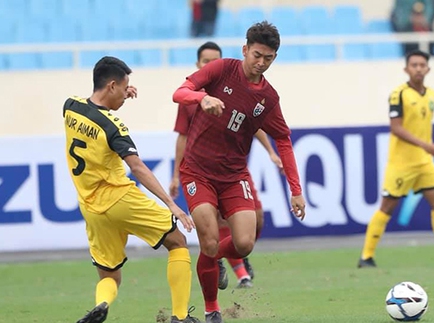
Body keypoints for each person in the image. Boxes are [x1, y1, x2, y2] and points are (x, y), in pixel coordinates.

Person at [172, 21, 306, 323]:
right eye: (257, 55)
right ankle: (212, 309)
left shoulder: (268, 98)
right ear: (245, 49)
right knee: (208, 241)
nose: (261, 63)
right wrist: (201, 98)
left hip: (234, 175)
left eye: (268, 58)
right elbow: (180, 92)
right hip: (198, 171)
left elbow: (283, 138)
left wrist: (295, 190)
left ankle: (213, 259)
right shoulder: (221, 69)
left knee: (244, 242)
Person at [64, 56, 200, 323]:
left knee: (110, 274)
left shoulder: (69, 107)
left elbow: (96, 112)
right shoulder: (115, 128)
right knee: (177, 242)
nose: (126, 95)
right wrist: (171, 204)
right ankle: (181, 317)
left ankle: (102, 304)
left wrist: (119, 95)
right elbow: (137, 167)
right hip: (119, 198)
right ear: (112, 85)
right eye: (124, 88)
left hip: (90, 208)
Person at [169, 41, 283, 290]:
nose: (211, 65)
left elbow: (255, 126)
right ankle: (234, 271)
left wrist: (271, 153)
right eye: (205, 62)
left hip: (233, 169)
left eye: (214, 61)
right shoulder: (193, 97)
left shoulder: (235, 83)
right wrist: (176, 174)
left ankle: (227, 256)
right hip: (202, 169)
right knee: (215, 226)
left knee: (256, 220)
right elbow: (183, 137)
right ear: (198, 65)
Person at [357, 50, 434, 269]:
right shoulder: (398, 94)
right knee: (387, 207)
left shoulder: (432, 95)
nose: (418, 68)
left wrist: (426, 149)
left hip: (424, 162)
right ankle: (366, 257)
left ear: (428, 69)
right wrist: (427, 146)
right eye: (414, 65)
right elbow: (396, 128)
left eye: (422, 65)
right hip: (401, 163)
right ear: (406, 69)